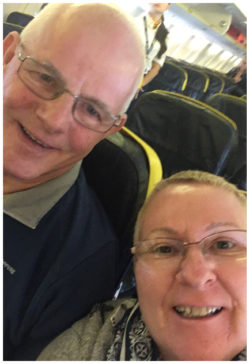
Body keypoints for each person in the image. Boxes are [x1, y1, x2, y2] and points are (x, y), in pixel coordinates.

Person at [3, 4, 145, 360]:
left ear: (111, 129)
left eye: (92, 110)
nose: (52, 121)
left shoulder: (78, 269)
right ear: (7, 55)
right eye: (45, 78)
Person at [38, 170, 247, 360]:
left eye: (223, 244)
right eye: (165, 249)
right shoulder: (86, 348)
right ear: (136, 269)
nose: (195, 275)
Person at [140, 3, 170, 87]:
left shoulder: (165, 35)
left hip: (140, 78)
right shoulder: (133, 21)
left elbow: (157, 65)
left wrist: (141, 84)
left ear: (168, 7)